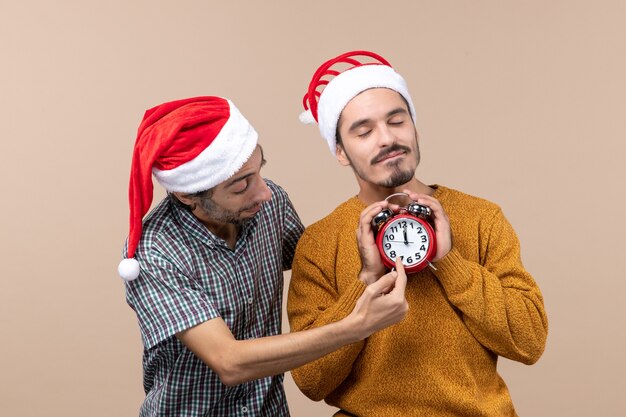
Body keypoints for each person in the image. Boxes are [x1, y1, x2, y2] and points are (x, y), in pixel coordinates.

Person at [287, 51, 548, 416]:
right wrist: (366, 280)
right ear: (341, 152)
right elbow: (311, 381)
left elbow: (529, 341)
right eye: (363, 131)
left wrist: (449, 261)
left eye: (397, 121)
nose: (386, 139)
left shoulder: (481, 217)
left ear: (415, 127)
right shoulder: (319, 242)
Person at [117, 96, 409, 417]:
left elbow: (318, 266)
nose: (264, 192)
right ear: (188, 196)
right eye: (241, 185)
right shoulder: (155, 251)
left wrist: (384, 240)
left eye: (259, 171)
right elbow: (230, 362)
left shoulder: (271, 205)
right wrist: (355, 327)